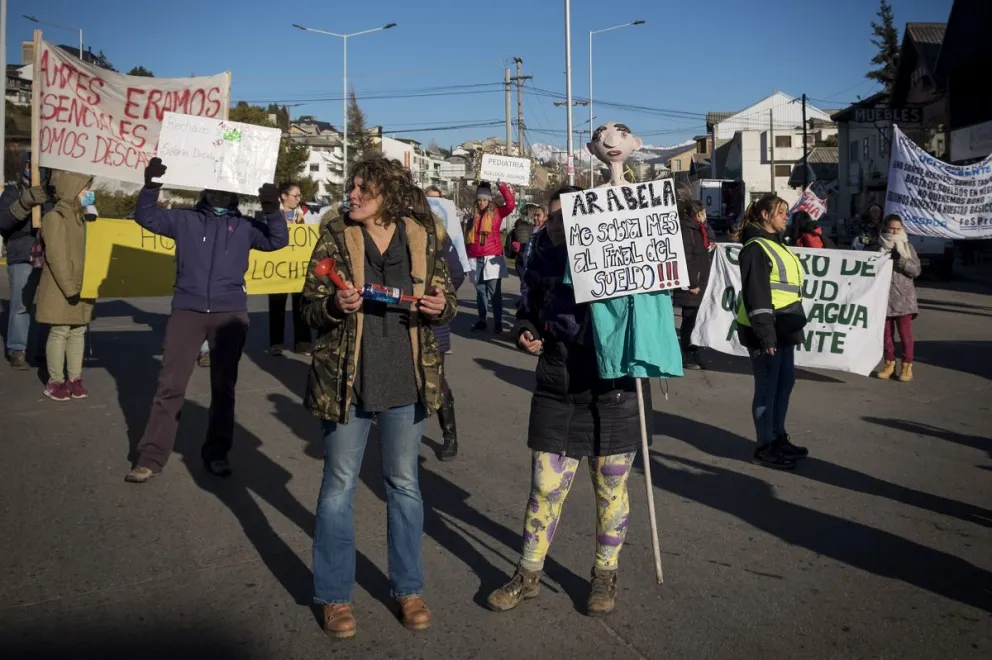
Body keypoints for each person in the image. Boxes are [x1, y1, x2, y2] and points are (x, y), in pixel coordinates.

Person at [301, 157, 457, 639]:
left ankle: (408, 589)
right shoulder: (334, 233)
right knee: (338, 488)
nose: (351, 194)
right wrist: (333, 305)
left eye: (362, 189)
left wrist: (439, 307)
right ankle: (333, 596)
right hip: (346, 382)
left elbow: (448, 298)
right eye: (351, 187)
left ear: (388, 195)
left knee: (404, 486)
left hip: (407, 383)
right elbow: (309, 308)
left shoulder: (423, 235)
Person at [487, 185, 651, 618]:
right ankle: (528, 573)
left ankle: (605, 574)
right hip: (558, 383)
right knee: (545, 486)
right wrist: (524, 331)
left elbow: (649, 303)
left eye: (569, 214)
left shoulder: (618, 253)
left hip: (614, 386)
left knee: (610, 488)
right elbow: (527, 309)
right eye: (553, 215)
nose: (559, 223)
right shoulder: (538, 254)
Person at [125, 158, 289, 483]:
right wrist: (151, 185)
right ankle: (151, 458)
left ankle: (217, 453)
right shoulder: (184, 219)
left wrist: (271, 207)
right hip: (188, 310)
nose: (219, 195)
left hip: (230, 314)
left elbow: (277, 240)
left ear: (235, 193)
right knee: (170, 386)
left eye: (225, 190)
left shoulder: (245, 226)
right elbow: (146, 217)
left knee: (223, 388)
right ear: (205, 189)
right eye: (214, 189)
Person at [731, 194, 809, 470]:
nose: (786, 216)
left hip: (784, 326)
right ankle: (765, 446)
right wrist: (766, 334)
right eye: (781, 212)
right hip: (766, 330)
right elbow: (757, 294)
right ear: (765, 215)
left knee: (784, 384)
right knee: (767, 388)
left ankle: (777, 437)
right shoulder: (755, 248)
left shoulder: (776, 244)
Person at [34, 172, 96, 401]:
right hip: (62, 287)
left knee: (78, 331)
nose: (89, 194)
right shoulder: (55, 217)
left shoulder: (83, 218)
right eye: (85, 189)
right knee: (60, 331)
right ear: (72, 189)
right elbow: (57, 257)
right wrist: (70, 288)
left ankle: (74, 378)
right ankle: (55, 381)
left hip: (82, 286)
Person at [423, 185, 466, 459]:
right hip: (401, 323)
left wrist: (441, 296)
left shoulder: (440, 235)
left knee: (436, 378)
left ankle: (449, 434)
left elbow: (457, 273)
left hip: (433, 323)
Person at [0, 150, 48, 370]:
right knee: (21, 305)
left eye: (38, 165)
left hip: (48, 254)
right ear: (24, 167)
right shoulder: (12, 192)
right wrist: (24, 202)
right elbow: (3, 221)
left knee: (47, 305)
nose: (34, 169)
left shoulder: (51, 193)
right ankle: (18, 349)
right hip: (22, 254)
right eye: (30, 165)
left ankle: (43, 350)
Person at [268, 181, 313, 357]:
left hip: (298, 267)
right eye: (295, 195)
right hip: (277, 267)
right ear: (283, 196)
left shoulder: (304, 214)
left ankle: (303, 343)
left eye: (299, 196)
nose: (298, 199)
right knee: (277, 307)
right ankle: (276, 344)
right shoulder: (272, 214)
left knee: (301, 304)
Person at [874, 214, 920, 383]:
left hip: (904, 299)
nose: (894, 232)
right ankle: (889, 364)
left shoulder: (907, 247)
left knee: (905, 335)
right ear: (885, 228)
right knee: (886, 335)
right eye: (892, 228)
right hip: (883, 298)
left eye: (898, 229)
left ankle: (907, 367)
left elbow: (916, 270)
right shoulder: (878, 246)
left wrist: (900, 260)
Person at [466, 180, 515, 333]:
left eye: (484, 199)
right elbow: (467, 239)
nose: (481, 203)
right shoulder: (472, 217)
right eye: (479, 199)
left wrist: (501, 186)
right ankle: (482, 320)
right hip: (475, 258)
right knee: (480, 291)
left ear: (489, 200)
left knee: (495, 292)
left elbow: (510, 205)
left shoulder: (497, 212)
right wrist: (466, 258)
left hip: (493, 257)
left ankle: (498, 322)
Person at [674, 200, 716, 370]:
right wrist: (692, 283)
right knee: (690, 320)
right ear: (697, 213)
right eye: (703, 212)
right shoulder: (687, 230)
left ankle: (693, 353)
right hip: (692, 285)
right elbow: (686, 258)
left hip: (699, 282)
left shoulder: (698, 228)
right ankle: (688, 354)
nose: (705, 215)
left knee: (696, 319)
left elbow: (700, 250)